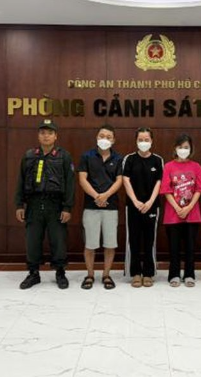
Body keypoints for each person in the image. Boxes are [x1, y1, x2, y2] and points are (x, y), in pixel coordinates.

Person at [15, 119, 75, 290]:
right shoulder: (29, 155)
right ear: (38, 135)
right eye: (42, 133)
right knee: (32, 240)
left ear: (56, 136)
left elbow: (70, 183)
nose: (46, 136)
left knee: (58, 239)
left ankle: (60, 272)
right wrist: (19, 205)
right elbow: (20, 181)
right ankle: (33, 273)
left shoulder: (64, 156)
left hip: (55, 204)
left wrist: (67, 207)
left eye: (50, 133)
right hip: (34, 204)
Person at [77, 124, 123, 290]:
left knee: (110, 244)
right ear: (96, 137)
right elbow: (82, 179)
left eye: (108, 137)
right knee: (90, 244)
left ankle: (106, 275)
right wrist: (97, 196)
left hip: (111, 206)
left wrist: (106, 196)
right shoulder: (87, 156)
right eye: (102, 136)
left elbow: (119, 180)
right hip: (91, 206)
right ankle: (90, 275)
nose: (105, 139)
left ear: (114, 140)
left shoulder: (118, 158)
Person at [160, 134, 201, 287]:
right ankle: (174, 274)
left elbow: (199, 189)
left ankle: (189, 274)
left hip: (192, 214)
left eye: (186, 147)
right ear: (175, 148)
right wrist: (178, 208)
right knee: (174, 247)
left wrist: (188, 207)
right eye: (180, 147)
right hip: (173, 214)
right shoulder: (168, 166)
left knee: (190, 247)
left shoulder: (196, 166)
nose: (183, 150)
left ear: (191, 149)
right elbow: (166, 190)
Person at [122, 127, 163, 288]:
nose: (143, 142)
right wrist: (135, 201)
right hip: (133, 206)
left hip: (152, 206)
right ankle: (135, 273)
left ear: (152, 141)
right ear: (136, 141)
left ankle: (148, 273)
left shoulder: (158, 160)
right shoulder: (129, 159)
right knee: (133, 239)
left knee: (149, 240)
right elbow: (126, 180)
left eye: (147, 139)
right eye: (140, 139)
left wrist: (150, 201)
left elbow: (159, 182)